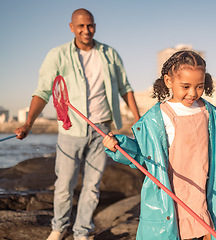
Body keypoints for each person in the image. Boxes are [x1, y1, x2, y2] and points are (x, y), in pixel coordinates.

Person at [102, 50, 216, 240]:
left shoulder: (207, 111)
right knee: (176, 230)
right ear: (169, 81)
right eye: (185, 86)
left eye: (199, 86)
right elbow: (141, 153)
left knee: (206, 228)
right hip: (172, 188)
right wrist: (118, 146)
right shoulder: (158, 117)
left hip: (202, 184)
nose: (193, 93)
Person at [15, 8, 140, 240]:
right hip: (70, 130)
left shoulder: (109, 53)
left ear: (95, 26)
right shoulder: (58, 55)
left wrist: (137, 120)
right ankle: (59, 227)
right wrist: (28, 123)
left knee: (93, 187)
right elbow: (43, 91)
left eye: (90, 25)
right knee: (64, 185)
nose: (86, 30)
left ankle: (82, 231)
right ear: (72, 27)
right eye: (81, 26)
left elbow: (126, 87)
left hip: (101, 129)